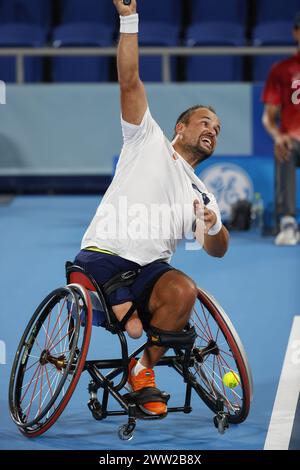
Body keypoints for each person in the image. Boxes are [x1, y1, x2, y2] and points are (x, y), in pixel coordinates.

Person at [74, 0, 229, 417]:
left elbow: (218, 249)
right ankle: (134, 343)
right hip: (103, 258)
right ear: (181, 128)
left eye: (216, 128)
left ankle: (142, 370)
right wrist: (129, 19)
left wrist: (212, 226)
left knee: (183, 289)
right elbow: (129, 81)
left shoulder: (203, 193)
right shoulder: (147, 140)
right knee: (137, 326)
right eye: (204, 122)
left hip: (150, 274)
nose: (211, 129)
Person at [262, 11, 300, 245]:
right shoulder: (281, 69)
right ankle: (287, 221)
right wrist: (277, 136)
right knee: (284, 147)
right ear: (296, 32)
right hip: (293, 140)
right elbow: (268, 117)